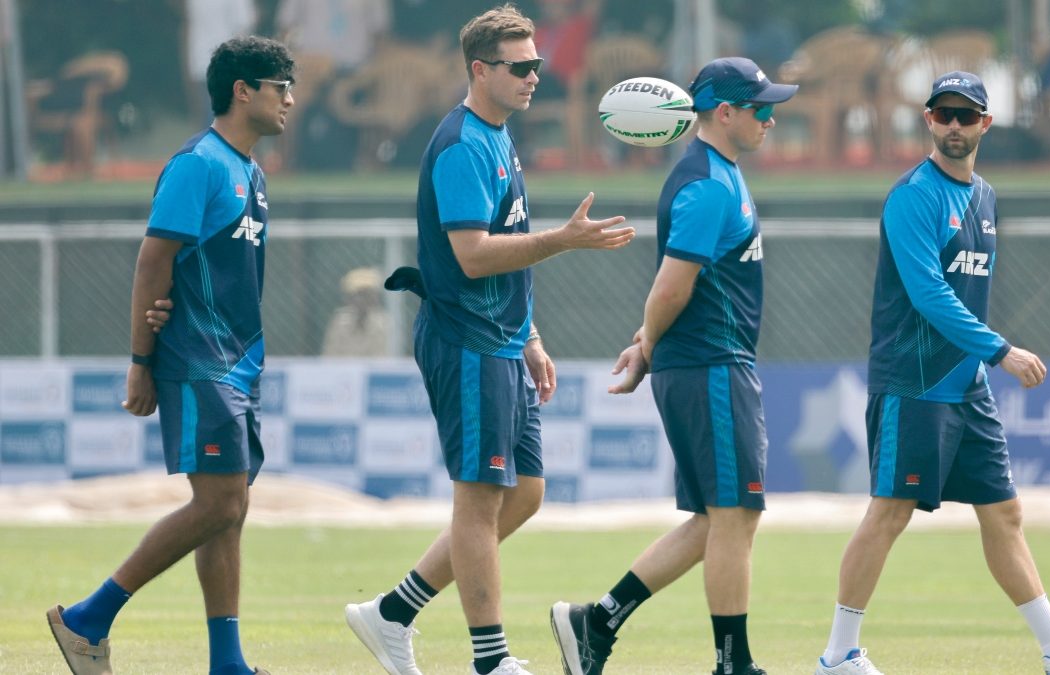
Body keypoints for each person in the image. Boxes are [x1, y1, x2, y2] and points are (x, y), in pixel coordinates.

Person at [812, 71, 1050, 675]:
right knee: (889, 513)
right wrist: (1001, 351)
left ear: (986, 124)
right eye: (945, 115)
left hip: (967, 387)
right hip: (913, 384)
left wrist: (982, 363)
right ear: (929, 120)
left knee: (1004, 513)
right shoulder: (913, 196)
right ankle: (838, 657)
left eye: (968, 116)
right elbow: (929, 295)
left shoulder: (985, 197)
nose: (955, 126)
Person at [342, 5, 634, 675]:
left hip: (501, 340)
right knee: (478, 500)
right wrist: (562, 241)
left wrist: (530, 336)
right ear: (481, 69)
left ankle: (392, 612)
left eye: (538, 64)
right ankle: (490, 658)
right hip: (466, 340)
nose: (537, 76)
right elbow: (473, 255)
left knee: (524, 493)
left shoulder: (499, 134)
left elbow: (504, 246)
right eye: (522, 66)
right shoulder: (463, 143)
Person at [46, 36, 294, 675]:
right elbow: (153, 260)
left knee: (228, 516)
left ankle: (228, 664)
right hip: (197, 360)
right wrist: (140, 358)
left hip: (238, 361)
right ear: (244, 91)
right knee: (219, 505)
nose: (290, 97)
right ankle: (86, 618)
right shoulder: (199, 164)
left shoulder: (250, 169)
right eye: (279, 85)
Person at [550, 57, 797, 675]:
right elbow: (670, 287)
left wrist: (647, 345)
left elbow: (674, 290)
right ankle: (732, 664)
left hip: (707, 362)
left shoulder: (717, 173)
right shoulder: (710, 184)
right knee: (737, 515)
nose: (771, 117)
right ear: (725, 113)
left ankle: (594, 622)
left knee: (714, 519)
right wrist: (649, 345)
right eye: (761, 107)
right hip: (712, 364)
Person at [322, 267, 389, 357]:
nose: (361, 300)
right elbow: (330, 357)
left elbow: (383, 361)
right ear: (348, 299)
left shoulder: (384, 324)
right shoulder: (339, 323)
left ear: (374, 299)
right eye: (358, 295)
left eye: (367, 295)